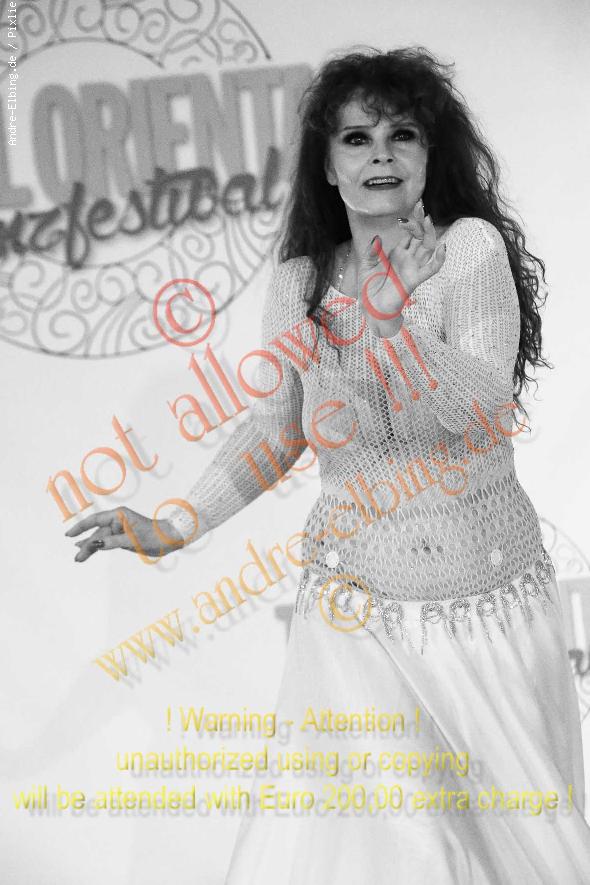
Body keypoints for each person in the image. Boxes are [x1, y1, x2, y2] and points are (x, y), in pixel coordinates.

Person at [67, 46, 590, 882]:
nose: (381, 154)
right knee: (385, 854)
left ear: (431, 154)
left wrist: (390, 327)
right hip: (353, 616)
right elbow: (278, 431)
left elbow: (483, 407)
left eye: (402, 134)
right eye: (356, 138)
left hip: (484, 614)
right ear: (328, 165)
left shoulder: (469, 251)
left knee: (515, 852)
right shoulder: (299, 285)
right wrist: (176, 522)